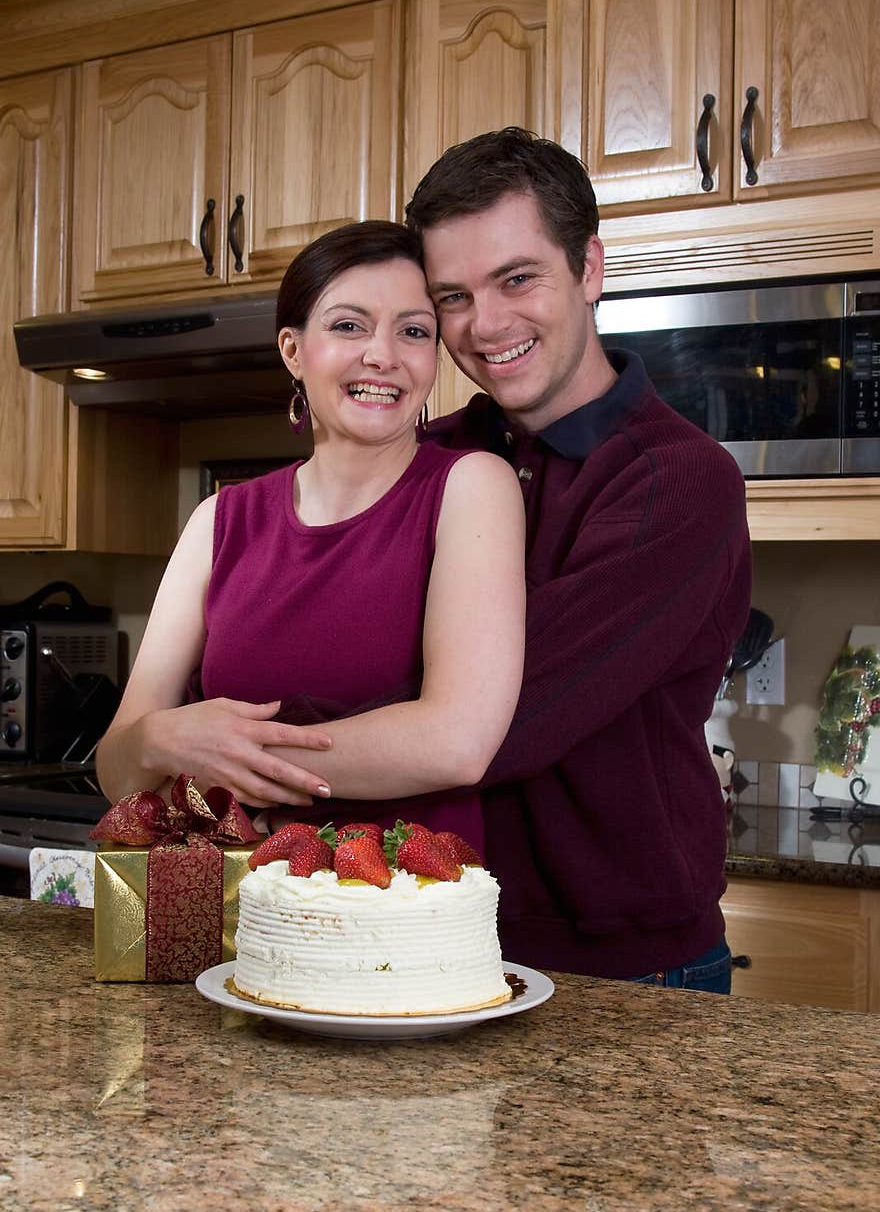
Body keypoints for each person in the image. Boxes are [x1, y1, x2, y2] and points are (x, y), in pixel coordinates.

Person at [247, 130, 752, 993]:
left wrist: (231, 749)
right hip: (418, 938)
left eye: (518, 279)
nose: (485, 326)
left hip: (621, 966)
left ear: (589, 267)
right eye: (452, 297)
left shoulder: (678, 483)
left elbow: (495, 719)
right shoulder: (432, 457)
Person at [96, 220, 525, 855]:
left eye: (413, 331)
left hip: (401, 921)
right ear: (293, 351)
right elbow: (117, 766)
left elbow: (457, 742)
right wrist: (161, 740)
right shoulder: (219, 520)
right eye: (348, 326)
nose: (382, 355)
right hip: (237, 921)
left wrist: (226, 756)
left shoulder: (470, 487)